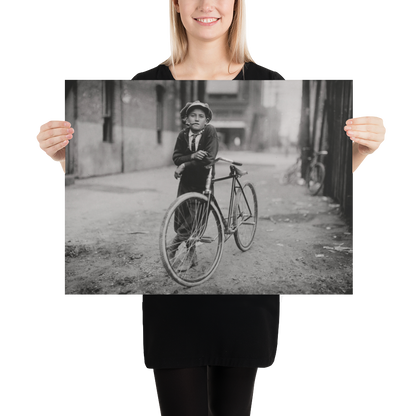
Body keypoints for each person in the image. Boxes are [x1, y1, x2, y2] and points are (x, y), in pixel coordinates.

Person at [169, 100, 218, 271]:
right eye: (193, 115)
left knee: (195, 220)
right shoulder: (183, 135)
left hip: (203, 181)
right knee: (183, 215)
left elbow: (209, 159)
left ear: (206, 120)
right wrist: (191, 157)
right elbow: (176, 157)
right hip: (186, 182)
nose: (197, 119)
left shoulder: (210, 132)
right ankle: (192, 257)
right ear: (186, 119)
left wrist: (184, 165)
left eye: (201, 116)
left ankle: (173, 246)